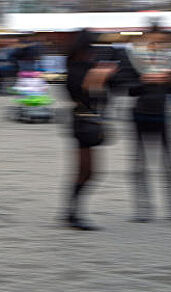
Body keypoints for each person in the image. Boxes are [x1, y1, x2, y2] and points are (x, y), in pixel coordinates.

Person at [119, 24, 171, 222]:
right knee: (139, 165)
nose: (157, 43)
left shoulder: (170, 58)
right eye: (154, 39)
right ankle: (143, 209)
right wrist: (144, 80)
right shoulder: (133, 58)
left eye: (161, 40)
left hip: (163, 114)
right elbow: (126, 87)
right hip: (140, 115)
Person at [63, 30, 117, 230]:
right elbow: (83, 90)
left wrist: (102, 75)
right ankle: (72, 213)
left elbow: (105, 94)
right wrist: (99, 76)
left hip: (86, 122)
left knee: (87, 172)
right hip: (82, 123)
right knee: (87, 171)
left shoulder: (84, 67)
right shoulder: (77, 69)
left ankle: (71, 213)